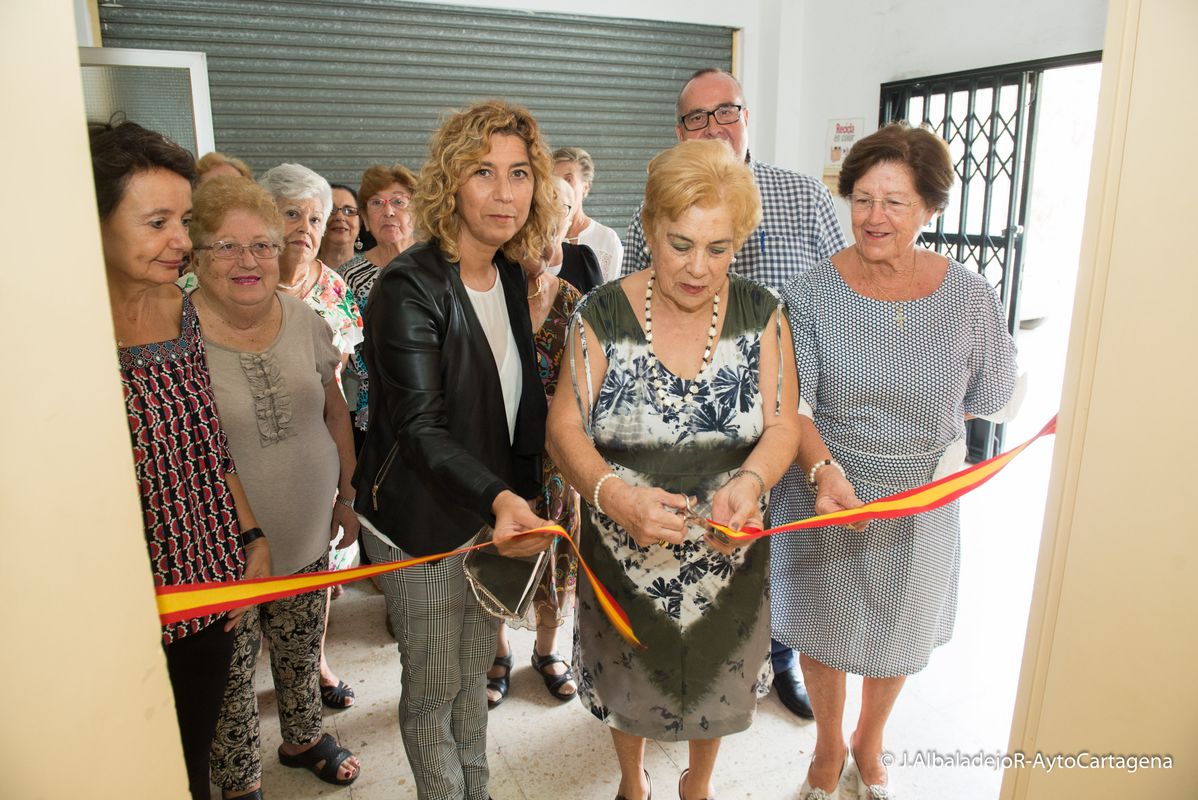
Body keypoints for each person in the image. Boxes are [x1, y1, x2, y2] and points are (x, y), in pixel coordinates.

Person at [547, 139, 802, 800]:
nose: (697, 267)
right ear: (649, 226)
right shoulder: (599, 316)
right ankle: (632, 783)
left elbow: (781, 424)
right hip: (625, 547)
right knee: (631, 676)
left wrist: (750, 484)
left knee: (715, 675)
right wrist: (614, 495)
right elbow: (564, 428)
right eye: (680, 243)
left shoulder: (764, 316)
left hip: (729, 548)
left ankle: (699, 782)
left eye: (719, 249)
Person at [771, 123, 1018, 800]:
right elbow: (796, 404)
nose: (874, 217)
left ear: (931, 210)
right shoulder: (812, 290)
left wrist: (928, 445)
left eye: (896, 202)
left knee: (897, 632)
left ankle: (869, 741)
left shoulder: (970, 295)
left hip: (919, 500)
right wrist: (826, 472)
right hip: (828, 489)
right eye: (862, 198)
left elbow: (993, 393)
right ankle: (826, 749)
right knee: (825, 630)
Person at [620, 68, 847, 719]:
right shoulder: (658, 207)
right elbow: (634, 309)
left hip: (788, 421)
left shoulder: (800, 197)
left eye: (728, 111)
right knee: (705, 553)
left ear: (748, 116)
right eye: (697, 118)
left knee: (784, 552)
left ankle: (781, 660)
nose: (715, 126)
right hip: (695, 427)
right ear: (678, 130)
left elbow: (834, 299)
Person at [352, 99, 555, 800]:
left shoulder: (506, 273)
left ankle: (478, 786)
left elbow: (514, 404)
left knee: (474, 669)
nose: (505, 193)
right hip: (420, 520)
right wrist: (501, 498)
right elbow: (420, 429)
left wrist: (520, 496)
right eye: (483, 172)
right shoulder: (408, 287)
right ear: (450, 184)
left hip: (487, 512)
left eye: (520, 173)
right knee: (436, 685)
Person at [91, 120, 270, 800]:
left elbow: (208, 438)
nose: (180, 241)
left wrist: (248, 535)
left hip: (207, 576)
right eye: (156, 221)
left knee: (190, 759)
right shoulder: (64, 333)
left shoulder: (181, 309)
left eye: (186, 220)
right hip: (124, 596)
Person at [188, 176, 362, 798]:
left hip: (308, 524)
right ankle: (237, 782)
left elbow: (334, 408)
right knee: (231, 675)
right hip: (219, 545)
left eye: (260, 245)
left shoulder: (308, 320)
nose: (248, 261)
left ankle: (304, 737)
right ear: (196, 255)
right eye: (226, 247)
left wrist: (346, 492)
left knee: (299, 644)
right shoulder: (178, 335)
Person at [258, 162, 363, 709]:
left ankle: (311, 659)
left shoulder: (334, 289)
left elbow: (338, 391)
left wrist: (346, 483)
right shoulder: (237, 280)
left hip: (317, 449)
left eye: (315, 217)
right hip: (246, 453)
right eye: (291, 213)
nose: (305, 225)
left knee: (317, 574)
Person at [486, 178, 585, 709]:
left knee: (557, 552)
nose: (539, 246)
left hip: (556, 455)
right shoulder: (481, 293)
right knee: (501, 547)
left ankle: (548, 651)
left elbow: (584, 390)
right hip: (495, 448)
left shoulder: (569, 299)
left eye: (546, 232)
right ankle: (498, 651)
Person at [336, 163, 420, 442]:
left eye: (398, 201)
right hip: (374, 407)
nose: (388, 211)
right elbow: (345, 348)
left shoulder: (439, 266)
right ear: (365, 219)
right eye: (377, 203)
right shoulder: (348, 276)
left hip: (436, 404)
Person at [553, 146, 624, 281]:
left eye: (568, 180)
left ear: (585, 187)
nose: (560, 188)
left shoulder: (607, 239)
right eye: (555, 180)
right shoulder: (540, 238)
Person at [317, 183, 362, 270]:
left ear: (360, 222)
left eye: (349, 211)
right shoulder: (299, 268)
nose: (339, 217)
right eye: (330, 210)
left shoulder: (380, 271)